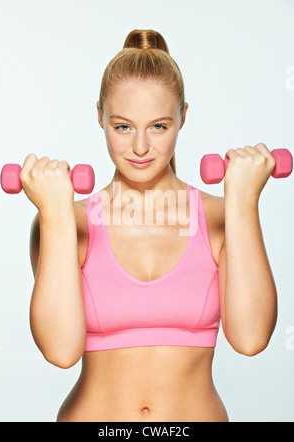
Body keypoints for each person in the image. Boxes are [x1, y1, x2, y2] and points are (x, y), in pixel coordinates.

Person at [23, 30, 278, 422]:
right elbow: (59, 351)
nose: (140, 147)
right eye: (123, 126)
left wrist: (242, 201)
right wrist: (56, 212)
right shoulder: (64, 222)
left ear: (183, 117)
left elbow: (251, 338)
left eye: (158, 126)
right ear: (100, 116)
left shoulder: (221, 219)